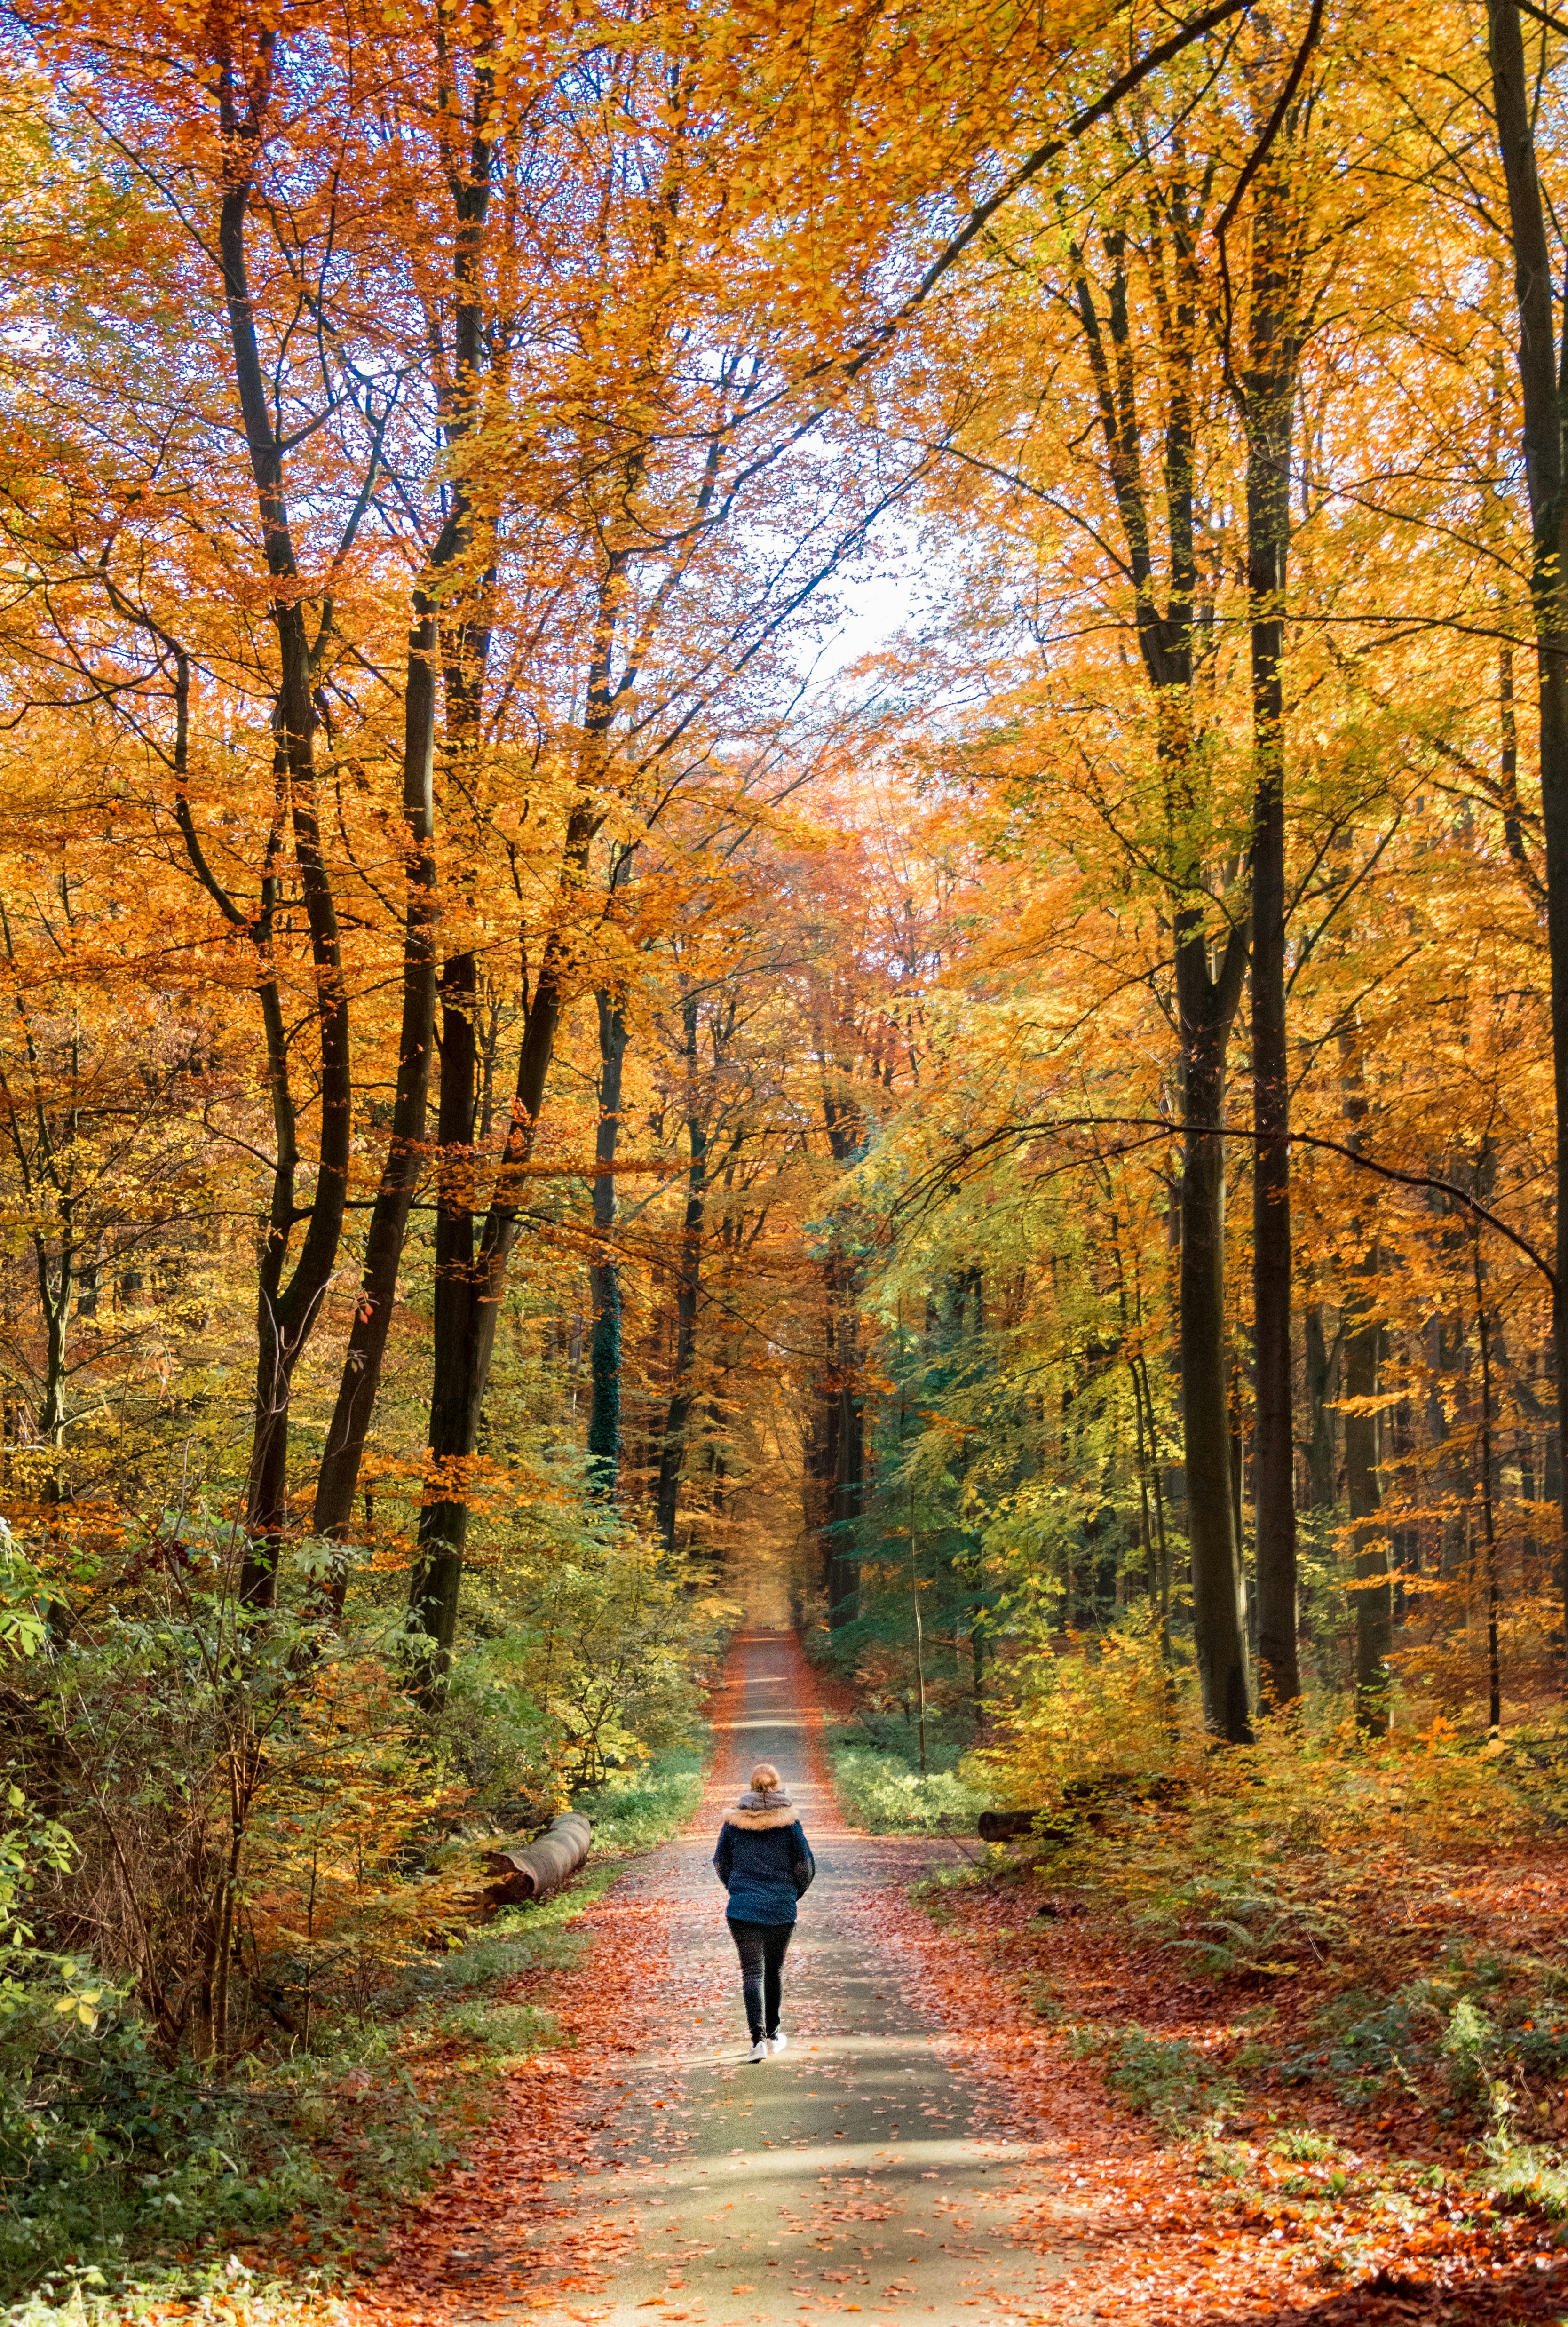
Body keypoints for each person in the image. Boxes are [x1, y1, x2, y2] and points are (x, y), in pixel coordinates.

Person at [713, 1761, 815, 2061]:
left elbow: (721, 1863)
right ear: (779, 1786)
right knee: (773, 1972)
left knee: (752, 1974)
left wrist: (738, 1890)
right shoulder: (790, 1824)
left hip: (743, 1909)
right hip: (781, 1908)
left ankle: (757, 2042)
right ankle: (772, 2034)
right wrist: (793, 1895)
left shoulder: (734, 1823)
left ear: (751, 1787)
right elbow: (805, 1866)